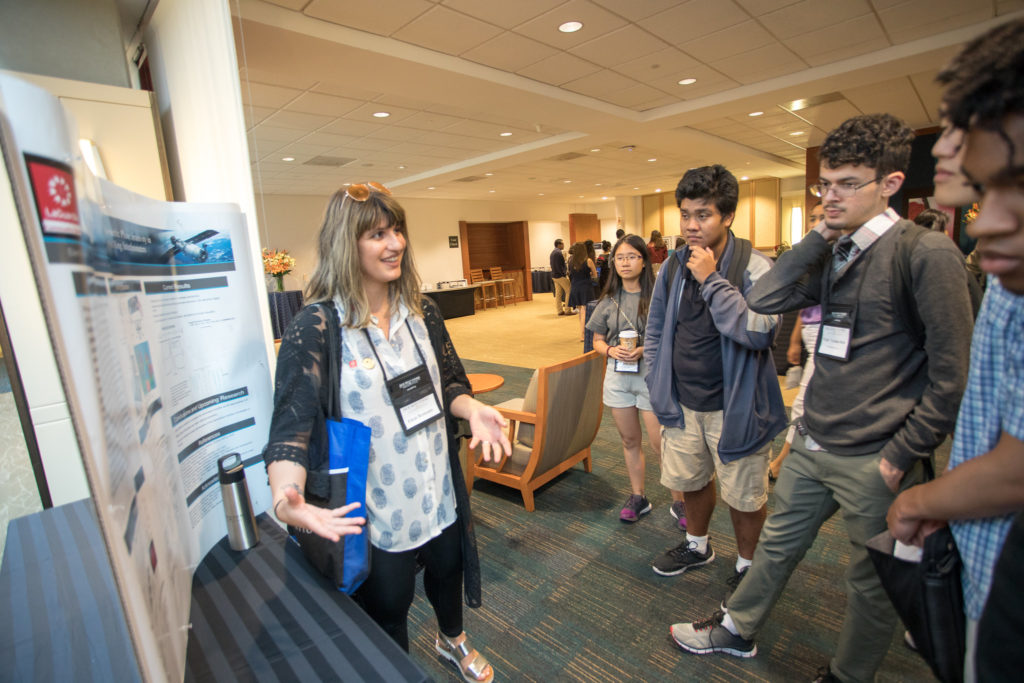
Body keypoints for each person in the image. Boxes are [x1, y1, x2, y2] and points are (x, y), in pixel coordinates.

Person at [671, 114, 974, 683]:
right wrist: (821, 232)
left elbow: (953, 376)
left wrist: (900, 454)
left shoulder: (926, 254)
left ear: (889, 184)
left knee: (870, 578)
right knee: (778, 548)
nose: (830, 197)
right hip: (813, 439)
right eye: (824, 185)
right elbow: (765, 295)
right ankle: (736, 630)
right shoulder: (834, 252)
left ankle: (849, 673)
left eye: (847, 185)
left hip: (878, 455)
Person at [264, 182, 511, 683]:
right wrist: (286, 495)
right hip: (376, 507)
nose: (395, 243)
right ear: (345, 243)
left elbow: (450, 383)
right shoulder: (318, 326)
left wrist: (472, 409)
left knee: (448, 569)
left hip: (436, 487)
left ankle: (452, 639)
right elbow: (291, 427)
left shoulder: (424, 312)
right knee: (390, 604)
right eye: (377, 233)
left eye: (396, 229)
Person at [883, 19, 1024, 681]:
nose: (989, 220)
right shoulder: (1005, 276)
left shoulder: (936, 256)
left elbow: (951, 371)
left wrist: (920, 494)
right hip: (987, 561)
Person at [644, 165, 786, 586]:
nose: (691, 225)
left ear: (727, 216)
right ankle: (697, 544)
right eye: (685, 214)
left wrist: (711, 280)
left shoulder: (756, 268)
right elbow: (655, 328)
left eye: (702, 215)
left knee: (743, 494)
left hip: (737, 406)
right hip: (684, 402)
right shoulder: (672, 266)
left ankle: (747, 563)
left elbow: (759, 333)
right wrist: (655, 380)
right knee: (691, 480)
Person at [586, 235, 665, 523]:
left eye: (632, 256)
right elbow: (595, 340)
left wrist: (644, 349)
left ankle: (681, 501)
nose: (625, 262)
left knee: (660, 444)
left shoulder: (659, 297)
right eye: (620, 257)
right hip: (618, 379)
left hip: (651, 378)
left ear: (644, 261)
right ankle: (638, 495)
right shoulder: (608, 301)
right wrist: (610, 349)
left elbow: (672, 337)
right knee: (630, 440)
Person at [768, 202, 826, 481]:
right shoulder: (815, 262)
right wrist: (794, 340)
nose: (815, 224)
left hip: (830, 339)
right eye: (813, 218)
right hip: (811, 334)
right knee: (807, 400)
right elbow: (805, 304)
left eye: (822, 218)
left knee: (803, 401)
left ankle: (784, 461)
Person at [567, 241, 597, 341]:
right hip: (585, 287)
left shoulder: (570, 261)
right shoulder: (588, 261)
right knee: (585, 311)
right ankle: (583, 334)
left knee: (581, 311)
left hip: (575, 287)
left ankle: (582, 333)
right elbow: (595, 275)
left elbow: (569, 273)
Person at [550, 238, 571, 316]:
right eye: (562, 244)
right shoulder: (558, 253)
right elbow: (561, 266)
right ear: (559, 244)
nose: (563, 245)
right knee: (569, 290)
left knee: (558, 293)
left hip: (554, 275)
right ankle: (568, 310)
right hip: (560, 275)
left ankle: (559, 310)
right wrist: (564, 274)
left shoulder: (553, 252)